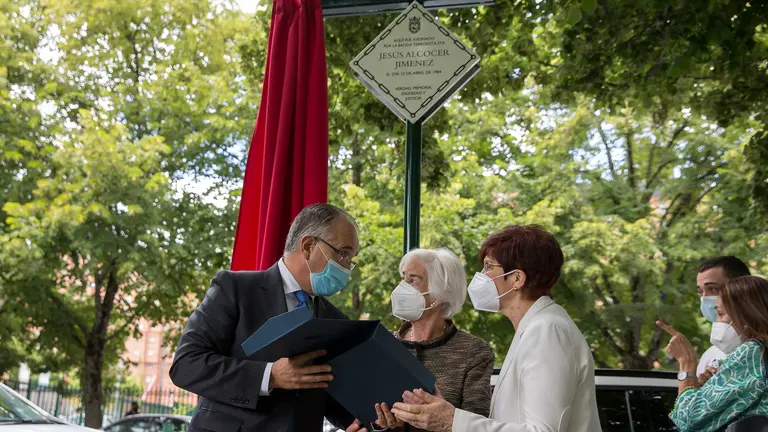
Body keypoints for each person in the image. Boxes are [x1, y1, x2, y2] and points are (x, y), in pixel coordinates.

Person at [169, 203, 364, 432]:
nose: (348, 267)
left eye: (351, 258)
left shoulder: (335, 319)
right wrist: (269, 376)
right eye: (343, 253)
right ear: (309, 246)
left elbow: (329, 392)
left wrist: (368, 422)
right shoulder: (235, 289)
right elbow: (186, 365)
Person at [386, 225, 602, 432]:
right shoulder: (537, 328)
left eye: (489, 267)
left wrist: (452, 421)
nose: (481, 275)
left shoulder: (547, 331)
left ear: (517, 278)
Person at [373, 248, 494, 431]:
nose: (401, 287)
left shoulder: (474, 352)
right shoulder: (383, 344)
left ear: (439, 294)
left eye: (413, 280)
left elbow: (477, 424)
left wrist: (445, 417)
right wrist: (381, 425)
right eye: (403, 277)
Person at [657, 275, 768, 432]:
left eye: (721, 313)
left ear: (746, 315)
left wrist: (686, 365)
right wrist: (709, 387)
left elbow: (688, 419)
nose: (717, 321)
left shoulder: (752, 352)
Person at [695, 256, 751, 376]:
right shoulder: (710, 356)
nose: (705, 298)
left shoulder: (759, 352)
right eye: (700, 291)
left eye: (713, 289)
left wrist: (686, 364)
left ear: (741, 289)